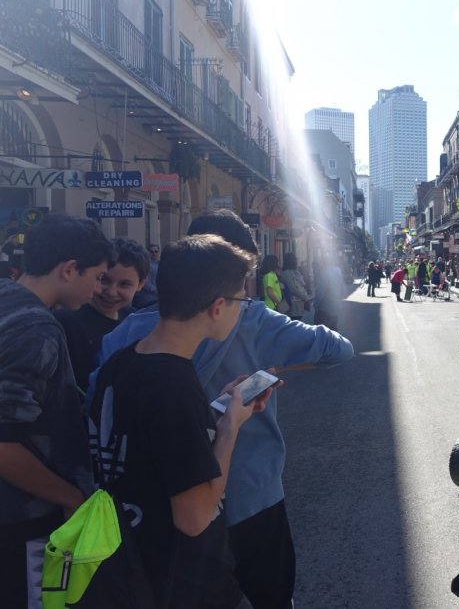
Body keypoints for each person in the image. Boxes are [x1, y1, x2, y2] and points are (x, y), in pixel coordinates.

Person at [93, 210, 354, 609]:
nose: (243, 301)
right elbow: (338, 350)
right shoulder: (247, 323)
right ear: (220, 301)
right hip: (242, 499)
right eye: (239, 293)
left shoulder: (120, 343)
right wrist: (233, 418)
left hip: (143, 518)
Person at [89, 234, 267, 609]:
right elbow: (195, 516)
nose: (241, 309)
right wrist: (230, 427)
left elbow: (147, 446)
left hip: (128, 568)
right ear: (218, 306)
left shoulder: (121, 362)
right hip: (184, 582)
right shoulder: (174, 386)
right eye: (241, 301)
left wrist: (216, 409)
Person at [0, 214, 113, 609]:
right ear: (68, 269)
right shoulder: (36, 329)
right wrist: (71, 497)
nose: (100, 289)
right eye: (97, 277)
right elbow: (3, 444)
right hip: (21, 520)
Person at [57, 237, 150, 393]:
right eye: (104, 280)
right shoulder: (67, 322)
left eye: (124, 284)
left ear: (141, 284)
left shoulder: (135, 321)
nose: (111, 292)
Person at [313, 258, 343, 330]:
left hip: (325, 308)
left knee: (323, 331)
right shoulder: (337, 273)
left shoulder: (325, 274)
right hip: (335, 307)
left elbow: (320, 291)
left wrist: (316, 304)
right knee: (333, 329)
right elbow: (341, 289)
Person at [280, 253, 311, 320]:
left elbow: (302, 285)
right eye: (296, 259)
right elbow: (292, 289)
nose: (297, 261)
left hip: (299, 304)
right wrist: (305, 297)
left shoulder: (296, 272)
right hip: (292, 304)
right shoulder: (286, 273)